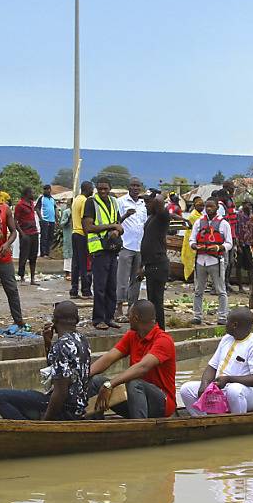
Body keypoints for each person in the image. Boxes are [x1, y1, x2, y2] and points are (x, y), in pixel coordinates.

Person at [0, 301, 91, 420]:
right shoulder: (83, 340)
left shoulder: (60, 346)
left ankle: (29, 431)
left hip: (66, 409)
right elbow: (55, 371)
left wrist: (45, 422)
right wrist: (48, 343)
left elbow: (60, 393)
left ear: (54, 322)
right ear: (77, 320)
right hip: (78, 407)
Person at [88, 300, 176, 418]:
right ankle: (95, 426)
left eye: (129, 315)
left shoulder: (164, 340)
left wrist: (110, 384)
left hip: (161, 404)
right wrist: (82, 376)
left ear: (135, 318)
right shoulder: (132, 335)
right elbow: (108, 358)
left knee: (134, 382)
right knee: (95, 381)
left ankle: (139, 429)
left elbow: (142, 368)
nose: (128, 318)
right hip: (136, 401)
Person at [180, 307, 253, 415]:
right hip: (221, 390)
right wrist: (204, 384)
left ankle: (237, 423)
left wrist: (229, 379)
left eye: (227, 321)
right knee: (186, 389)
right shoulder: (226, 339)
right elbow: (212, 366)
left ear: (234, 325)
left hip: (247, 394)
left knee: (234, 391)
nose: (225, 323)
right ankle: (203, 422)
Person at [83, 177, 125, 330]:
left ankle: (109, 317)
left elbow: (119, 223)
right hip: (99, 249)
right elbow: (88, 227)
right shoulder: (91, 202)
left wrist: (116, 229)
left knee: (111, 286)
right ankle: (98, 319)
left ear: (110, 188)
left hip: (112, 248)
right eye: (100, 188)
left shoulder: (114, 202)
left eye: (105, 189)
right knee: (100, 287)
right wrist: (111, 226)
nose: (102, 191)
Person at [190, 198, 233, 325]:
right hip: (200, 261)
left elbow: (229, 243)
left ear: (216, 208)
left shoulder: (224, 224)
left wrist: (219, 247)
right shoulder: (199, 222)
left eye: (211, 206)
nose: (208, 209)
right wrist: (194, 246)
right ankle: (197, 316)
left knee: (221, 290)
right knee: (198, 290)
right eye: (207, 206)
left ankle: (222, 317)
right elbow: (192, 240)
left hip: (216, 261)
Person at [0, 186, 25, 328]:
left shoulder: (5, 209)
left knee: (12, 289)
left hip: (3, 255)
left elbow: (13, 232)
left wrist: (7, 244)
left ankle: (19, 320)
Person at [116, 178, 147, 322]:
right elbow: (115, 223)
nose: (135, 188)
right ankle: (118, 309)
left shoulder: (142, 204)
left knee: (136, 279)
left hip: (139, 246)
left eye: (138, 186)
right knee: (122, 279)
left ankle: (131, 309)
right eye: (133, 185)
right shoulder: (121, 202)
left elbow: (144, 224)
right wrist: (126, 215)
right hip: (126, 245)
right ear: (128, 187)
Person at [140, 190, 171, 329]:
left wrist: (159, 193)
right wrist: (141, 266)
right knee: (151, 301)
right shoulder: (150, 218)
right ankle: (154, 331)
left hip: (159, 264)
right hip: (150, 264)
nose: (146, 204)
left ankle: (160, 332)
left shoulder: (162, 217)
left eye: (148, 202)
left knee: (157, 302)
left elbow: (159, 200)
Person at [70, 181, 94, 298]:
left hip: (75, 233)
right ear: (87, 189)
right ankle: (86, 290)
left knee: (75, 264)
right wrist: (89, 238)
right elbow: (84, 221)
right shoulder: (85, 201)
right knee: (84, 264)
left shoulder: (76, 199)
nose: (93, 191)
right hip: (82, 234)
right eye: (92, 189)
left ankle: (74, 290)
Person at [14, 186, 40, 285]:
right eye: (32, 193)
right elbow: (15, 221)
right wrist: (21, 233)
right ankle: (22, 277)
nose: (33, 194)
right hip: (26, 234)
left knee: (33, 256)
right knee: (24, 256)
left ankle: (32, 278)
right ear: (27, 194)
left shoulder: (31, 204)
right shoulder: (20, 205)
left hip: (34, 232)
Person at [180, 196, 205, 281]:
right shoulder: (194, 215)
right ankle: (190, 277)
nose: (201, 208)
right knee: (191, 258)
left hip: (196, 238)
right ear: (195, 206)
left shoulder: (200, 215)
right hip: (192, 239)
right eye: (199, 206)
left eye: (202, 206)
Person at [233, 202, 253, 293]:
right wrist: (237, 244)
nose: (249, 207)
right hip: (240, 244)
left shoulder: (251, 216)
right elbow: (236, 229)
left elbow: (252, 229)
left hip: (248, 243)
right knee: (239, 266)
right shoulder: (238, 215)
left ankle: (251, 287)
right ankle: (240, 287)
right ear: (244, 205)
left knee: (250, 265)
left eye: (251, 206)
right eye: (248, 205)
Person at [35, 185, 57, 258]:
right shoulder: (41, 198)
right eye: (44, 189)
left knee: (50, 237)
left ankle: (48, 253)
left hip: (52, 221)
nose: (45, 191)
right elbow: (37, 208)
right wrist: (41, 218)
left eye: (47, 189)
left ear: (50, 190)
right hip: (44, 220)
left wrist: (56, 220)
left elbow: (55, 209)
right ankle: (43, 253)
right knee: (44, 237)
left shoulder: (52, 199)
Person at [60, 198, 73, 280]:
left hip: (75, 235)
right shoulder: (66, 212)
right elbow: (62, 223)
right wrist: (68, 219)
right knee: (68, 254)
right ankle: (67, 273)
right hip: (68, 235)